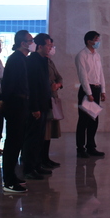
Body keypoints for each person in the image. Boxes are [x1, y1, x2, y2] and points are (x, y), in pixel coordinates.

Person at [0, 30, 33, 193]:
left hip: (22, 103)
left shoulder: (22, 59)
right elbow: (9, 84)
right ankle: (8, 180)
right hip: (15, 105)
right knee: (13, 143)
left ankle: (12, 175)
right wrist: (4, 101)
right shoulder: (15, 59)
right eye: (30, 40)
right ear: (23, 43)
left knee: (17, 142)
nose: (32, 43)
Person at [22, 33, 52, 179]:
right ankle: (29, 168)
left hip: (43, 104)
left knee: (40, 137)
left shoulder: (43, 60)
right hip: (36, 106)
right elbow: (32, 86)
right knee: (32, 138)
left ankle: (37, 165)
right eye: (48, 45)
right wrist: (35, 108)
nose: (50, 48)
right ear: (40, 46)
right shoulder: (32, 61)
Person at [75, 31, 105, 158]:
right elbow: (83, 76)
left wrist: (103, 90)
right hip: (87, 90)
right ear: (89, 41)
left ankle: (91, 146)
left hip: (96, 89)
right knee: (83, 120)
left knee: (94, 119)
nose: (98, 41)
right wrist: (88, 93)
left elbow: (100, 73)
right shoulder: (82, 55)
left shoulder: (97, 55)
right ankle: (80, 148)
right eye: (96, 39)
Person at [43, 38, 63, 168]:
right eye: (49, 45)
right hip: (45, 97)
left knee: (49, 130)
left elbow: (59, 76)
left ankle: (45, 157)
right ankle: (41, 158)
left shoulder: (50, 61)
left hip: (53, 97)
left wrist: (58, 84)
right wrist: (52, 85)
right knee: (44, 131)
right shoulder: (38, 61)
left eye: (52, 46)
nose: (51, 48)